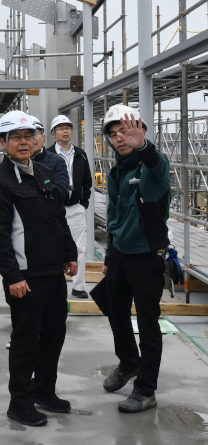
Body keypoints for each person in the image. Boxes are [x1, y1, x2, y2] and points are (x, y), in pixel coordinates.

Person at [0, 110, 78, 427]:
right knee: (25, 340)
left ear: (37, 140)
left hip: (52, 271)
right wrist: (12, 277)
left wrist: (70, 252)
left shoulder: (42, 172)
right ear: (3, 142)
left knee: (54, 333)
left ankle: (44, 390)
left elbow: (58, 216)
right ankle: (20, 402)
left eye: (28, 136)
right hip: (26, 277)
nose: (23, 142)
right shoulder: (0, 184)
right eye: (15, 138)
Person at [100, 104, 170, 414]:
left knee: (147, 322)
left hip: (146, 256)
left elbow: (156, 164)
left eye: (125, 131)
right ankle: (129, 362)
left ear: (138, 130)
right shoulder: (117, 171)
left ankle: (145, 389)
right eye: (114, 134)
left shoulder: (151, 168)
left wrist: (144, 146)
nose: (120, 138)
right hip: (120, 254)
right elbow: (113, 212)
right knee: (114, 309)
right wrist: (109, 251)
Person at [49, 115, 94, 299]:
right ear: (53, 133)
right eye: (60, 128)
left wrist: (83, 203)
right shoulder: (48, 155)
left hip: (76, 208)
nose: (65, 131)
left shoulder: (80, 154)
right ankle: (55, 286)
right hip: (55, 209)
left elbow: (87, 182)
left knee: (79, 248)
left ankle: (79, 286)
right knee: (53, 247)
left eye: (68, 127)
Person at [28, 116, 70, 202]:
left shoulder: (57, 161)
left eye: (35, 133)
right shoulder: (16, 163)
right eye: (28, 135)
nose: (33, 138)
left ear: (44, 138)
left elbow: (60, 192)